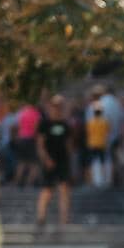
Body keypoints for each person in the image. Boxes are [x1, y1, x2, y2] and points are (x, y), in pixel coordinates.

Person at [36, 94, 74, 227]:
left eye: (60, 106)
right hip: (49, 161)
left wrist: (69, 160)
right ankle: (41, 217)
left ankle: (64, 219)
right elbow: (40, 144)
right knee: (47, 190)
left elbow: (69, 144)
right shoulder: (44, 124)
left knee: (64, 189)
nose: (57, 109)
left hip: (62, 160)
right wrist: (46, 159)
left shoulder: (65, 125)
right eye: (55, 106)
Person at [13, 99, 43, 191]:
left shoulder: (21, 112)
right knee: (35, 163)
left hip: (21, 138)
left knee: (22, 162)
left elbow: (17, 126)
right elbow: (37, 127)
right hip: (31, 139)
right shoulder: (36, 113)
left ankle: (18, 182)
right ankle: (29, 183)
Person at [84, 94, 111, 188]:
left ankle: (91, 181)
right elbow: (107, 133)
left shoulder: (90, 122)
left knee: (91, 162)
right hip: (102, 143)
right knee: (102, 162)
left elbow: (88, 133)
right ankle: (103, 180)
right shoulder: (105, 122)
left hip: (92, 143)